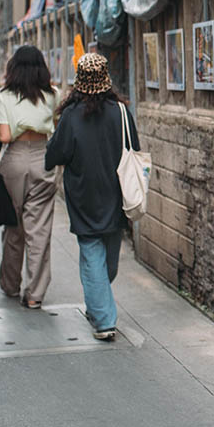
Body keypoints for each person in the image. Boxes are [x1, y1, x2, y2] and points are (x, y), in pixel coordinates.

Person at [46, 54, 137, 341]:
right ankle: (104, 318)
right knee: (104, 256)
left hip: (84, 194)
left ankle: (98, 303)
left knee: (97, 259)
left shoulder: (71, 116)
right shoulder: (121, 113)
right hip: (115, 193)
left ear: (79, 81)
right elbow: (134, 147)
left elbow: (55, 155)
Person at [0, 46, 59, 309]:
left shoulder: (4, 96)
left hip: (14, 159)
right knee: (39, 229)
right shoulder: (52, 94)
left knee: (13, 224)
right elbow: (56, 126)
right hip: (43, 157)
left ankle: (10, 284)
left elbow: (4, 137)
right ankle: (34, 294)